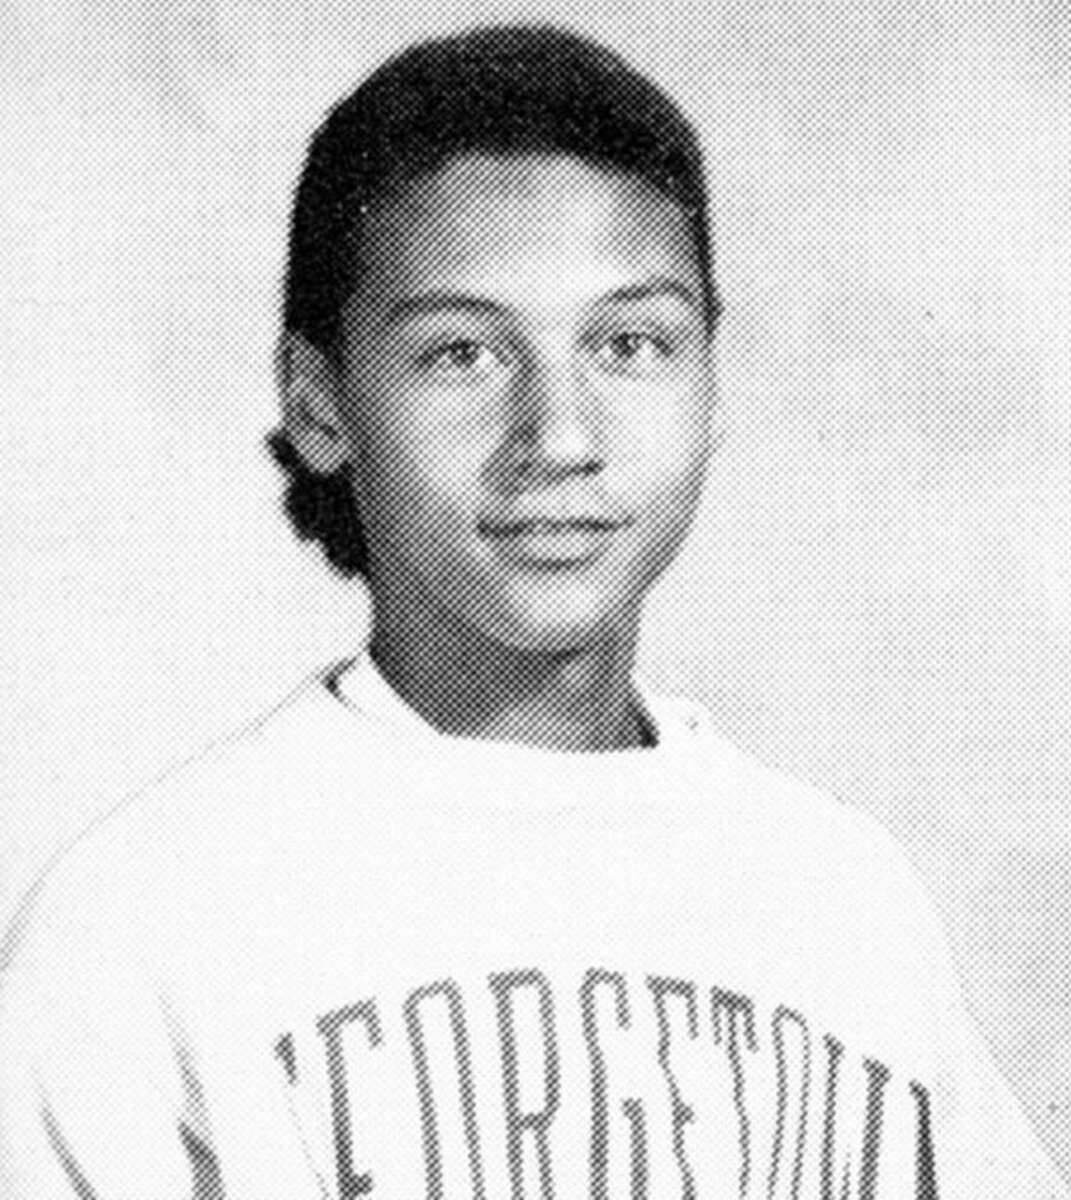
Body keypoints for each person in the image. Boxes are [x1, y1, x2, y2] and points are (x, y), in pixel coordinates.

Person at [0, 23, 1064, 1200]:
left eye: (628, 344)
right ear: (319, 404)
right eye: (462, 354)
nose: (558, 438)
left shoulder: (842, 899)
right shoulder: (143, 919)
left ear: (711, 375)